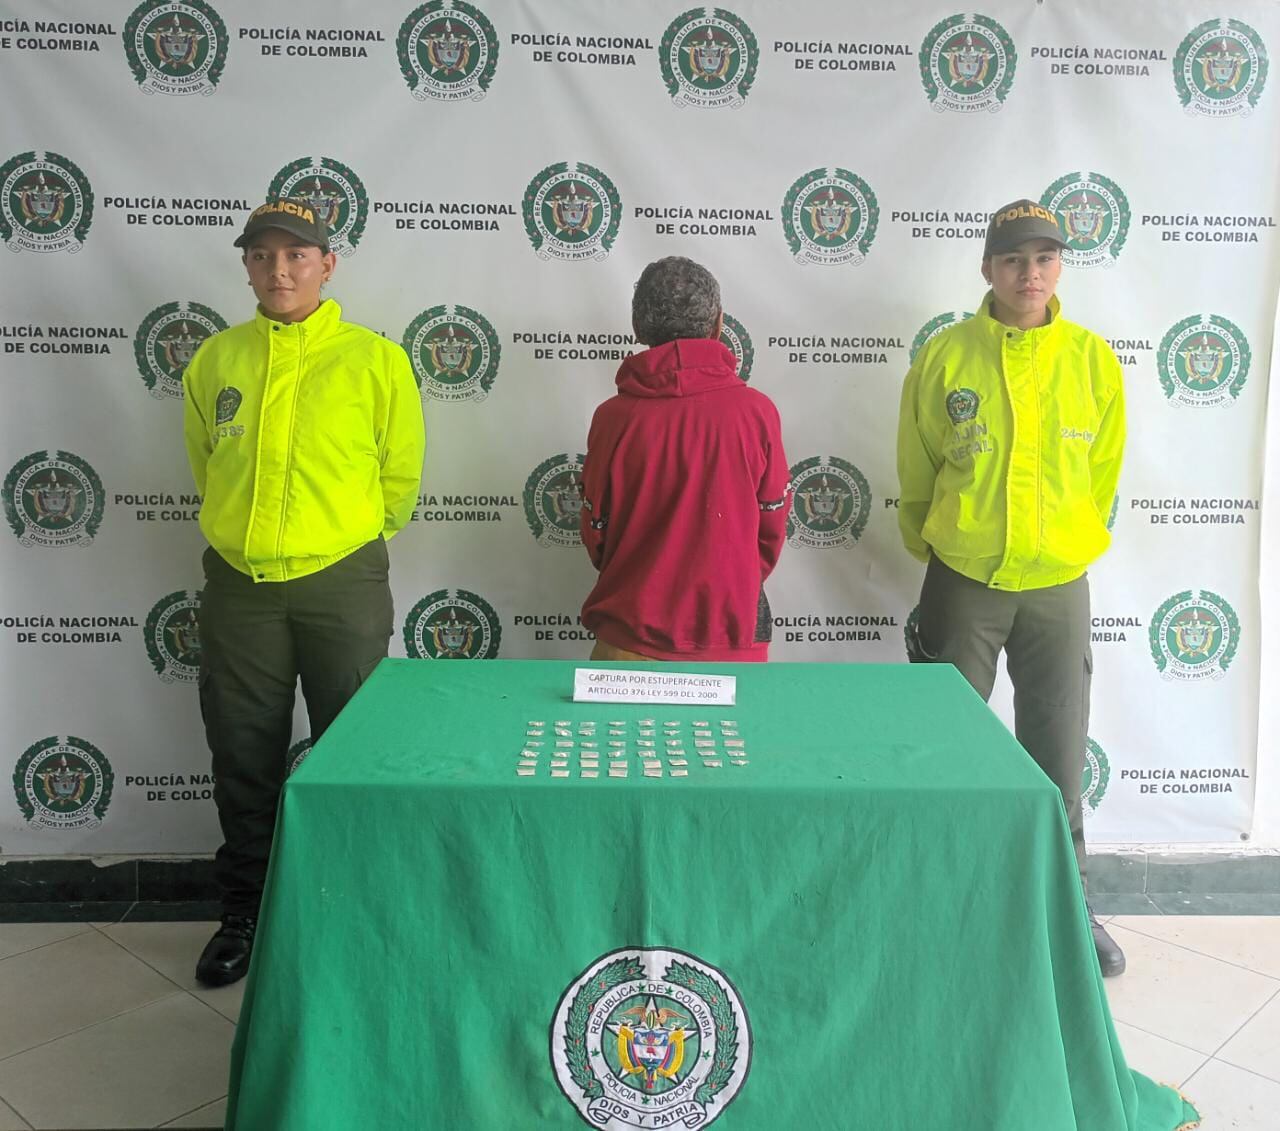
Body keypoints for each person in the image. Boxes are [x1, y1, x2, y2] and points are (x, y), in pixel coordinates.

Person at [182, 199, 425, 986]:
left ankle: (356, 910)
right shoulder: (216, 361)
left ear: (328, 263)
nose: (279, 270)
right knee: (242, 753)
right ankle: (245, 913)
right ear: (246, 264)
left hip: (341, 582)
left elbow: (399, 479)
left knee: (353, 751)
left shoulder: (375, 360)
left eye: (296, 255)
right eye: (262, 256)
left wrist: (338, 539)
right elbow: (206, 468)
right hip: (241, 588)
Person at [896, 199, 1127, 976]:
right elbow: (918, 466)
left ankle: (1070, 909)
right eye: (1013, 259)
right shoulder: (946, 357)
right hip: (963, 579)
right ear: (988, 269)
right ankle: (936, 895)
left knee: (1057, 755)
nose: (1030, 274)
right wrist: (943, 545)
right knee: (947, 748)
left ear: (1061, 266)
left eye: (1044, 257)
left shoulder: (1093, 359)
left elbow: (1103, 476)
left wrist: (1065, 539)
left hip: (1058, 583)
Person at [579, 256, 790, 662]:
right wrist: (733, 579)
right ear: (719, 325)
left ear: (638, 328)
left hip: (628, 642)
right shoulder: (757, 412)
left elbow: (596, 530)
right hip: (733, 643)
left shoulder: (612, 418)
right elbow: (771, 525)